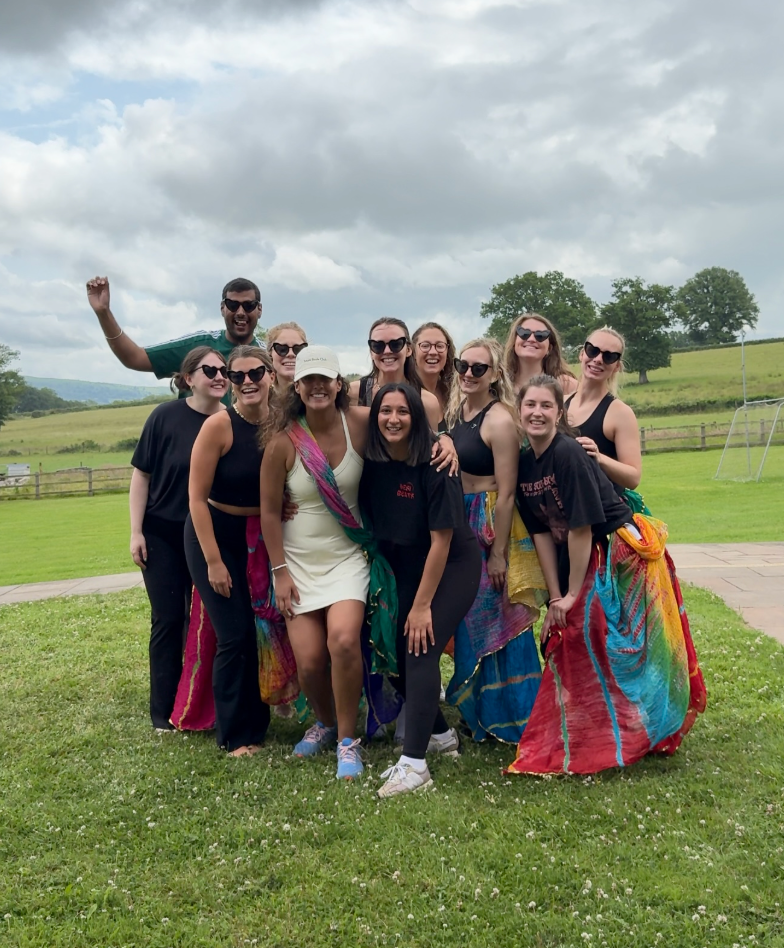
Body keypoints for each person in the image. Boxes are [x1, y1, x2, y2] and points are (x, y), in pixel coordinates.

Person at [506, 375, 706, 776]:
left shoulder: (567, 454)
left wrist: (573, 594)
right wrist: (556, 594)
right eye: (530, 406)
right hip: (581, 555)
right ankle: (595, 728)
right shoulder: (527, 464)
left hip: (617, 551)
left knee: (626, 646)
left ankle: (640, 730)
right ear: (519, 411)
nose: (537, 413)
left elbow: (581, 528)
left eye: (547, 406)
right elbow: (543, 534)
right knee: (578, 636)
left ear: (559, 412)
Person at [260, 346, 376, 781]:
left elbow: (409, 430)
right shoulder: (282, 443)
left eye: (325, 379)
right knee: (309, 662)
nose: (317, 387)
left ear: (339, 384)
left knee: (343, 642)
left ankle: (349, 740)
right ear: (297, 387)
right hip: (298, 564)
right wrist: (280, 573)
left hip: (348, 555)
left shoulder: (361, 424)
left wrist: (441, 440)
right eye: (308, 380)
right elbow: (270, 511)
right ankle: (325, 722)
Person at [360, 384, 481, 797]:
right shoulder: (373, 462)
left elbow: (442, 541)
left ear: (417, 417)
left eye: (403, 412)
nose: (393, 419)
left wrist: (422, 606)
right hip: (405, 569)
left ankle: (414, 766)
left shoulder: (436, 462)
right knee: (396, 658)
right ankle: (443, 736)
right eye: (385, 411)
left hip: (451, 566)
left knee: (420, 648)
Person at [444, 339, 547, 743]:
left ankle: (516, 717)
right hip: (459, 520)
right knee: (472, 622)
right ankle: (480, 715)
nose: (468, 374)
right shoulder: (461, 411)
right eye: (463, 366)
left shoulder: (500, 419)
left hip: (487, 524)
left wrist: (499, 554)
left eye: (479, 368)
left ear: (496, 374)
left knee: (501, 622)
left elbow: (506, 492)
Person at [129, 346, 228, 730]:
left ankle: (212, 706)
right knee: (170, 619)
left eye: (223, 370)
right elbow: (142, 475)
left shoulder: (231, 421)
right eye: (209, 370)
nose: (219, 376)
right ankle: (163, 711)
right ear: (188, 379)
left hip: (212, 537)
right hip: (164, 533)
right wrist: (136, 531)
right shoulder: (165, 417)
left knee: (218, 624)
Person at [184, 345, 273, 756]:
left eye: (256, 373)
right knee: (234, 635)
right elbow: (197, 499)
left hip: (261, 536)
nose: (248, 382)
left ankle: (257, 724)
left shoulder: (282, 424)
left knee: (259, 633)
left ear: (271, 374)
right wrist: (214, 562)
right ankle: (234, 735)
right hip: (214, 534)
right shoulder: (219, 426)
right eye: (238, 377)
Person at [85, 276, 265, 401]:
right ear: (222, 308)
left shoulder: (271, 355)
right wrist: (103, 313)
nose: (241, 312)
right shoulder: (198, 346)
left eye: (249, 305)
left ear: (259, 310)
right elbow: (134, 358)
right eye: (233, 305)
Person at [566, 327, 642, 494]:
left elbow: (633, 477)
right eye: (593, 351)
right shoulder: (561, 402)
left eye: (608, 356)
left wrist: (599, 458)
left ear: (616, 367)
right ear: (582, 354)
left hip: (604, 512)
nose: (598, 359)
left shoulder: (620, 413)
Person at [349, 318, 442, 429]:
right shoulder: (353, 393)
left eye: (396, 344)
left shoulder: (427, 402)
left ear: (408, 349)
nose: (387, 351)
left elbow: (432, 443)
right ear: (371, 352)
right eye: (378, 346)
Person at [502, 312, 577, 398]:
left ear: (549, 348)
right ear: (514, 342)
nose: (531, 339)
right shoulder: (499, 386)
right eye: (524, 333)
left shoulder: (565, 384)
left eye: (540, 335)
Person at [412, 322, 456, 419]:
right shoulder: (405, 395)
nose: (433, 352)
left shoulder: (453, 394)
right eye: (425, 346)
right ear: (413, 352)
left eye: (440, 346)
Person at [267, 322, 309, 397]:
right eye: (282, 349)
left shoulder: (315, 397)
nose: (290, 354)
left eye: (298, 349)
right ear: (270, 354)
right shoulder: (261, 399)